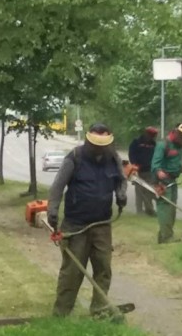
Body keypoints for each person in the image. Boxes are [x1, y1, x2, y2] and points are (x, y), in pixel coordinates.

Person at [47, 123, 127, 320]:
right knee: (72, 272)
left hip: (102, 224)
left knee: (103, 269)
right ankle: (61, 314)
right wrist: (53, 210)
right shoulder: (75, 157)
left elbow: (120, 180)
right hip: (76, 225)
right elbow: (58, 186)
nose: (99, 148)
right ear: (88, 141)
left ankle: (99, 310)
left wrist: (121, 194)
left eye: (103, 144)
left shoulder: (113, 158)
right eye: (95, 144)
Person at [150, 123, 182, 244]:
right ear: (175, 132)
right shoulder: (163, 145)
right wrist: (158, 171)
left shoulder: (179, 147)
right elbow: (155, 163)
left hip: (173, 181)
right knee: (165, 209)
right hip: (163, 182)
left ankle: (164, 235)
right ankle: (166, 237)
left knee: (172, 209)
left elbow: (174, 162)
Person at [127, 126, 158, 216]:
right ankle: (139, 210)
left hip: (149, 171)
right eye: (150, 135)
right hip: (138, 170)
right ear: (146, 133)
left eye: (153, 136)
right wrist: (134, 165)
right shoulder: (136, 142)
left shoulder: (153, 144)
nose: (151, 137)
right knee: (139, 191)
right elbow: (131, 154)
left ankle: (149, 210)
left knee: (149, 190)